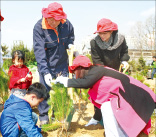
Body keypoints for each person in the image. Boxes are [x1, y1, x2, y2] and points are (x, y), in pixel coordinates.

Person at [56, 55, 156, 137]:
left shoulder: (97, 71)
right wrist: (95, 119)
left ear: (81, 68)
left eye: (75, 72)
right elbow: (100, 101)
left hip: (137, 95)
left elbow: (85, 83)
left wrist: (66, 81)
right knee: (107, 107)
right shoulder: (97, 77)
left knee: (107, 108)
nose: (75, 75)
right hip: (133, 96)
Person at [33, 2, 75, 125]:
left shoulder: (66, 24)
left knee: (60, 92)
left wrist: (70, 43)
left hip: (62, 64)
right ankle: (44, 116)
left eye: (56, 20)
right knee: (44, 92)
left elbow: (70, 36)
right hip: (46, 64)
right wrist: (45, 72)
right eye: (50, 19)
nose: (53, 22)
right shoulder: (39, 27)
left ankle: (57, 115)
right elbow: (39, 51)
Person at [89, 18, 130, 126]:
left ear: (111, 31)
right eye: (100, 33)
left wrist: (124, 60)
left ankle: (117, 117)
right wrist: (105, 73)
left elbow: (124, 51)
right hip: (101, 71)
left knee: (118, 94)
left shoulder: (120, 39)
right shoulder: (94, 42)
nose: (102, 36)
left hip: (117, 70)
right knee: (100, 93)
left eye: (105, 33)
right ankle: (97, 117)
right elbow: (97, 60)